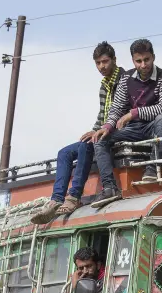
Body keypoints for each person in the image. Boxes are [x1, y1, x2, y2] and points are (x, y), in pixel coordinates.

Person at [31, 42, 124, 224]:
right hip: (102, 130)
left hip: (117, 132)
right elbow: (102, 114)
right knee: (64, 153)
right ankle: (57, 199)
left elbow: (120, 110)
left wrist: (99, 131)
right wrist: (95, 129)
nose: (101, 67)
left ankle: (74, 196)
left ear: (114, 60)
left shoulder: (123, 80)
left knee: (86, 146)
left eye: (105, 62)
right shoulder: (104, 84)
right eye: (97, 63)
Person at [91, 39, 162, 204]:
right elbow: (117, 107)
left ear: (153, 57)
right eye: (139, 61)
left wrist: (134, 113)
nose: (143, 65)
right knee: (100, 139)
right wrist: (108, 126)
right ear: (133, 61)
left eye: (147, 60)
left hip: (155, 128)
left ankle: (152, 168)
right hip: (133, 129)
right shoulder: (126, 78)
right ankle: (109, 187)